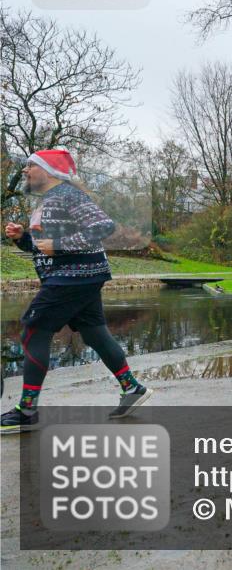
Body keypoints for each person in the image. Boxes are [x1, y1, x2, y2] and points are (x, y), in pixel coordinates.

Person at [1, 150, 151, 434]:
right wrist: (24, 238)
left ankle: (26, 411)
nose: (25, 171)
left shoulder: (68, 194)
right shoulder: (49, 200)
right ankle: (132, 388)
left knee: (33, 330)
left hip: (72, 277)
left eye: (30, 166)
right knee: (95, 333)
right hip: (79, 277)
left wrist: (59, 245)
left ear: (47, 171)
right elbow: (43, 247)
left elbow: (103, 226)